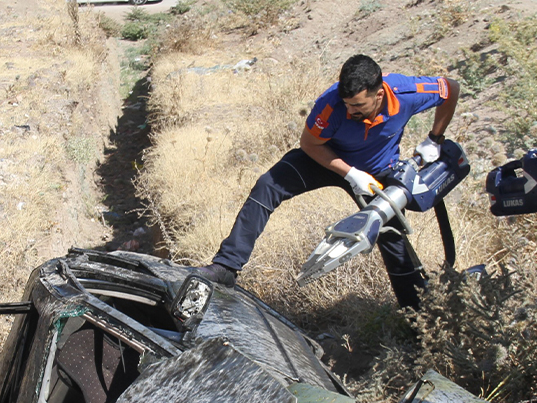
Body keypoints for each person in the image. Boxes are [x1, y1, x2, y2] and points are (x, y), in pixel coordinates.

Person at [197, 54, 460, 309]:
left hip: (376, 172)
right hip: (326, 158)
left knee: (391, 238)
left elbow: (451, 88)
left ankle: (416, 319)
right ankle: (227, 266)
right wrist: (350, 173)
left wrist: (435, 138)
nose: (350, 110)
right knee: (268, 185)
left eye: (358, 106)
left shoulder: (407, 93)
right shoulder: (331, 104)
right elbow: (310, 143)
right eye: (347, 104)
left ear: (379, 94)